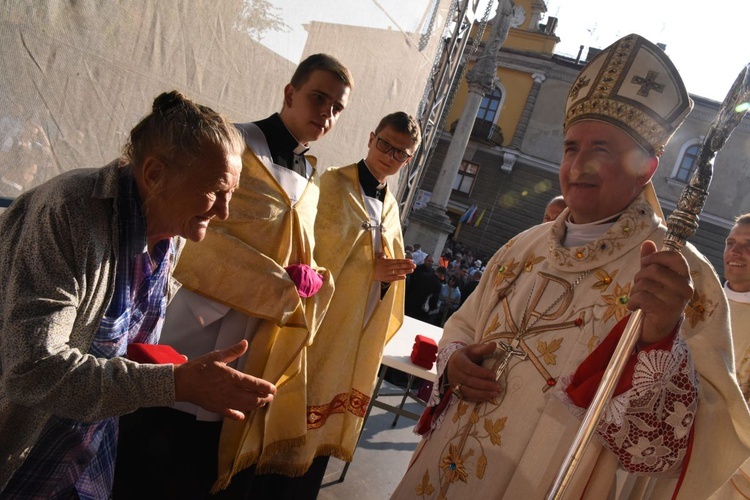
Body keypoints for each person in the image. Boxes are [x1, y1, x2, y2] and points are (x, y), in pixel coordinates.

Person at [392, 34, 750, 499]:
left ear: (647, 166)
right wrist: (455, 361)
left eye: (601, 149)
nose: (577, 165)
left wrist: (662, 344)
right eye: (570, 148)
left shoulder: (680, 276)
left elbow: (699, 444)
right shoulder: (524, 246)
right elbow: (464, 323)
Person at [0, 90, 276, 498]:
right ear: (153, 174)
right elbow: (33, 367)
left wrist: (166, 366)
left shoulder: (170, 233)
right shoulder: (68, 213)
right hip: (21, 449)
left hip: (84, 449)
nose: (224, 212)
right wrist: (174, 384)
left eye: (231, 194)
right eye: (217, 190)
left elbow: (116, 343)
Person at [114, 54, 353, 498]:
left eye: (337, 107)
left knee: (210, 453)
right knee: (161, 437)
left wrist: (314, 276)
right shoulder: (235, 144)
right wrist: (279, 284)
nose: (327, 112)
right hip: (202, 318)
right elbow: (200, 236)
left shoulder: (311, 174)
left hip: (261, 333)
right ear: (290, 93)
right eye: (319, 98)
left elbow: (302, 249)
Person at [214, 112, 420, 498]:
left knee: (316, 440)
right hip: (315, 329)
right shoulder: (331, 185)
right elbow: (309, 256)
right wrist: (368, 272)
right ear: (371, 138)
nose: (390, 156)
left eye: (401, 153)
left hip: (352, 334)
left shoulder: (391, 207)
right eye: (386, 145)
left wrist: (388, 276)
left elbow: (377, 260)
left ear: (408, 160)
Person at [711, 213, 750, 499]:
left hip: (732, 465)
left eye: (748, 245)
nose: (735, 252)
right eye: (730, 242)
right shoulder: (699, 302)